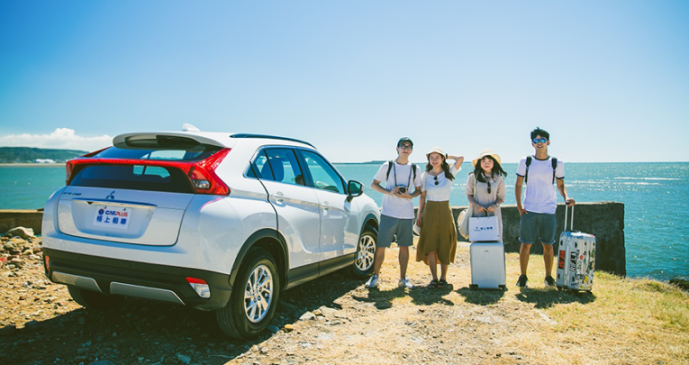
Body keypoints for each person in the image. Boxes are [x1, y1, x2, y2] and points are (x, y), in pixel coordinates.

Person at [515, 127, 575, 288]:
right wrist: (520, 206)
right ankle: (523, 276)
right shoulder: (525, 161)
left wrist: (566, 197)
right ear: (532, 143)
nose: (539, 143)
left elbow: (561, 185)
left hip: (549, 209)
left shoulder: (556, 163)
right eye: (536, 140)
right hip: (530, 209)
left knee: (548, 245)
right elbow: (519, 184)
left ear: (548, 142)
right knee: (526, 244)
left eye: (542, 140)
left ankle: (548, 277)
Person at [366, 137, 423, 289]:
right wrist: (389, 192)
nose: (406, 148)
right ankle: (375, 276)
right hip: (388, 212)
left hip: (406, 213)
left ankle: (403, 278)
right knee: (381, 245)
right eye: (403, 146)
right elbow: (374, 184)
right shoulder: (388, 165)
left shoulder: (415, 169)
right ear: (397, 148)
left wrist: (409, 195)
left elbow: (419, 190)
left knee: (404, 246)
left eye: (409, 146)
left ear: (412, 150)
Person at [415, 147, 464, 288]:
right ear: (428, 160)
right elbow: (422, 196)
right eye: (432, 157)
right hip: (429, 209)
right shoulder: (425, 175)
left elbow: (461, 158)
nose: (434, 160)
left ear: (442, 158)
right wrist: (420, 214)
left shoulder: (448, 173)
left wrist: (446, 155)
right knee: (430, 243)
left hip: (444, 209)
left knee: (445, 242)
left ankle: (443, 278)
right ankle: (434, 279)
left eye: (438, 157)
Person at [465, 149, 507, 242]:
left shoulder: (499, 178)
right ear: (479, 163)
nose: (486, 163)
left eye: (489, 161)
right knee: (477, 239)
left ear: (493, 163)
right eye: (483, 161)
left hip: (494, 212)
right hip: (477, 212)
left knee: (495, 239)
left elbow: (501, 197)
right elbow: (469, 194)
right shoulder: (473, 177)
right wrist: (477, 206)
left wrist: (495, 205)